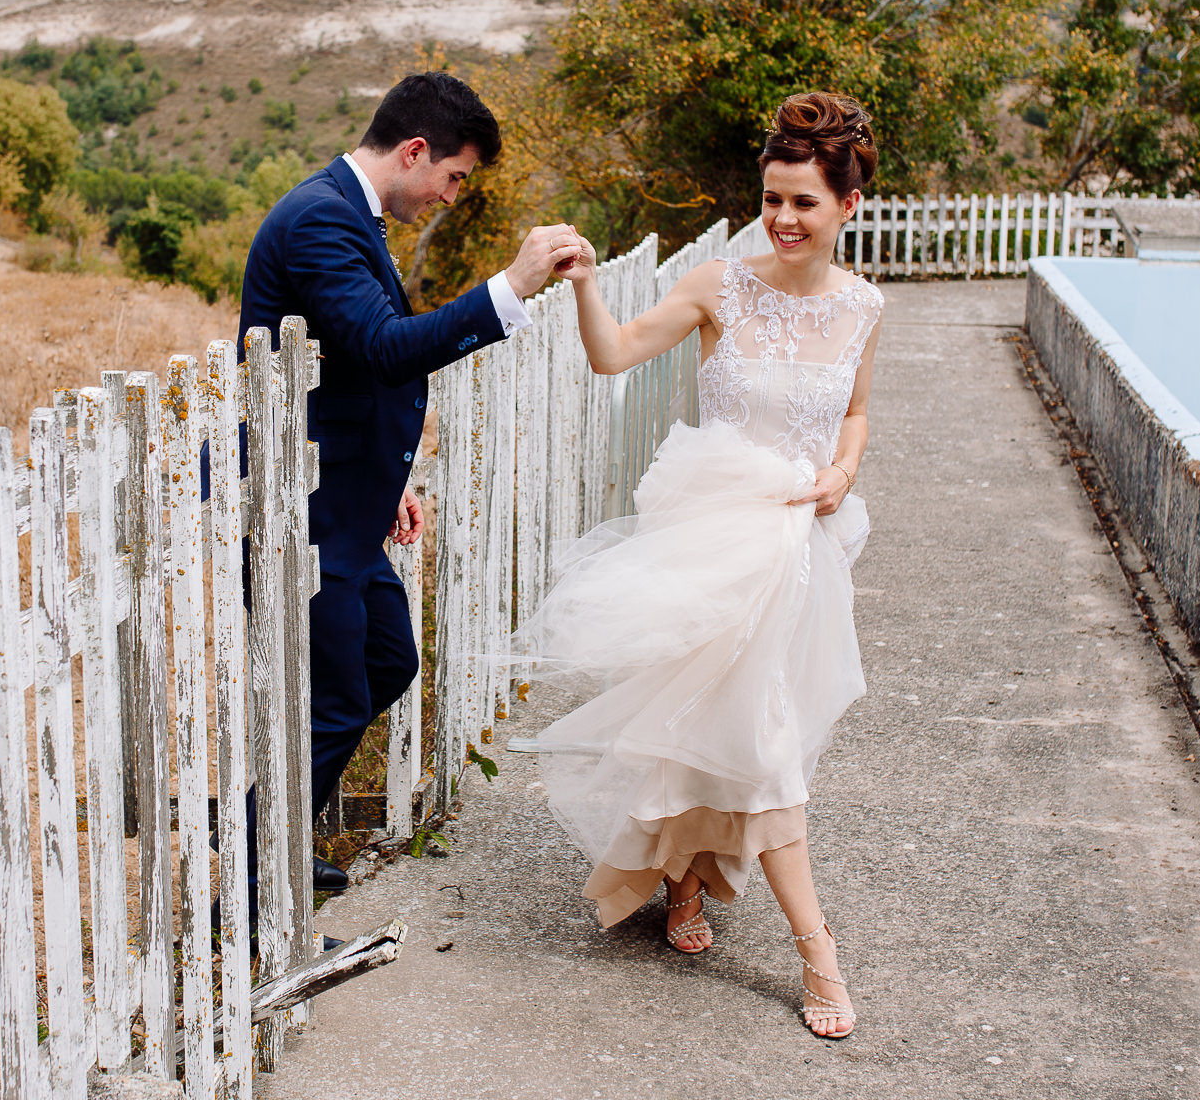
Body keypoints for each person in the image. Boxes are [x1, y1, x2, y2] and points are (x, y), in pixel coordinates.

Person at [519, 91, 884, 1039]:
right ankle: (819, 950)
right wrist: (589, 284)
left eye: (804, 201)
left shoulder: (864, 309)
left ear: (849, 203)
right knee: (751, 742)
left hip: (797, 555)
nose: (784, 219)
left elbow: (855, 412)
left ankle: (685, 884)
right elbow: (613, 357)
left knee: (737, 728)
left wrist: (844, 469)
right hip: (706, 544)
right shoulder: (722, 286)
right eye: (772, 198)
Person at [237, 71, 584, 894]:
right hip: (301, 510)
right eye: (454, 177)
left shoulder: (350, 210)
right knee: (333, 699)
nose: (452, 195)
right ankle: (257, 877)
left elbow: (343, 365)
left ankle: (260, 838)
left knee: (385, 660)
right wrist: (510, 286)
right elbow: (386, 346)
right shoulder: (322, 217)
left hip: (348, 495)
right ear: (416, 150)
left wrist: (386, 479)